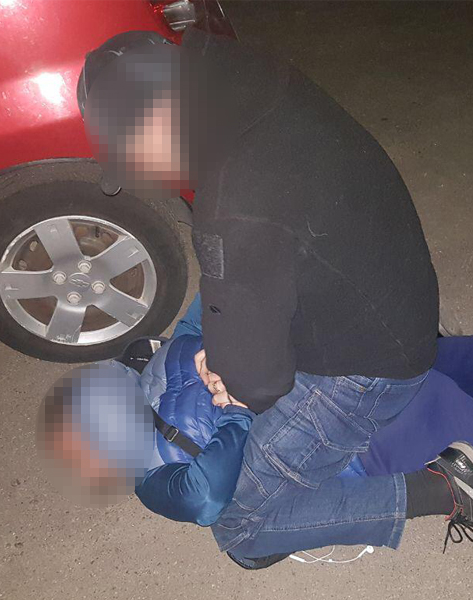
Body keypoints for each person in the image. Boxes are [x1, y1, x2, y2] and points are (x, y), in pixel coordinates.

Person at [79, 26, 441, 518]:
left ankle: (442, 490)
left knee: (241, 520)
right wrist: (225, 346)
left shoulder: (233, 198)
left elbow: (258, 386)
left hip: (373, 365)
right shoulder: (253, 84)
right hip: (393, 289)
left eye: (132, 155)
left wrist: (232, 380)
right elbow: (250, 273)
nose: (143, 174)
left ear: (155, 117)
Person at [38, 297, 473, 569]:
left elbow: (207, 500)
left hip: (391, 430)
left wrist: (234, 413)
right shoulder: (168, 352)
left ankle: (447, 487)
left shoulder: (152, 475)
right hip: (379, 359)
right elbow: (219, 296)